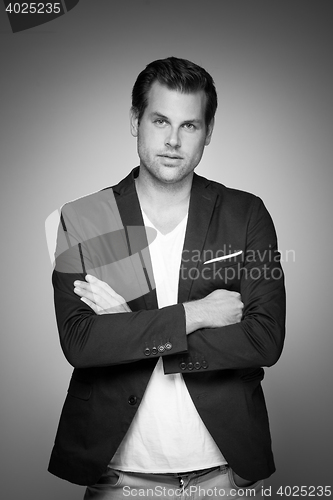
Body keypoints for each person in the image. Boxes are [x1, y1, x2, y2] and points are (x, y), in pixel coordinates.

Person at [48, 57, 286, 499]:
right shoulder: (84, 218)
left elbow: (264, 339)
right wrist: (197, 314)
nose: (173, 140)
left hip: (224, 472)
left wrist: (128, 328)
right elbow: (81, 342)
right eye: (160, 121)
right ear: (136, 121)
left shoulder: (246, 213)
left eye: (190, 126)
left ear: (208, 132)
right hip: (118, 476)